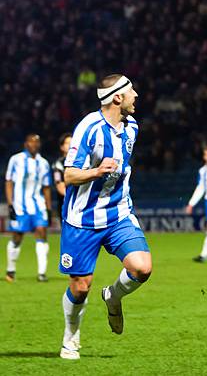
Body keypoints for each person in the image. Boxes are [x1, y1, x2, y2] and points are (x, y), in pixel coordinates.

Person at [58, 74, 151, 360]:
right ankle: (71, 337)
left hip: (119, 213)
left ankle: (113, 296)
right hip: (83, 220)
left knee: (142, 268)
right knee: (81, 287)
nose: (137, 95)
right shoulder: (88, 128)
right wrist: (97, 171)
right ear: (117, 98)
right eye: (132, 90)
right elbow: (69, 174)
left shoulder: (131, 126)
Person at [4, 134, 53, 282]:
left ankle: (41, 273)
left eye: (37, 142)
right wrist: (10, 204)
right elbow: (9, 182)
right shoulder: (16, 159)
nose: (34, 144)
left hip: (38, 205)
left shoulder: (43, 163)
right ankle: (11, 270)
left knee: (42, 232)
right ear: (26, 144)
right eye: (31, 142)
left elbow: (46, 188)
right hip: (19, 205)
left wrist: (49, 209)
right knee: (17, 236)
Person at [52, 132, 72, 220]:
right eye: (67, 143)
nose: (71, 145)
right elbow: (59, 185)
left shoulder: (84, 161)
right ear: (62, 147)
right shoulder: (58, 164)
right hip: (65, 203)